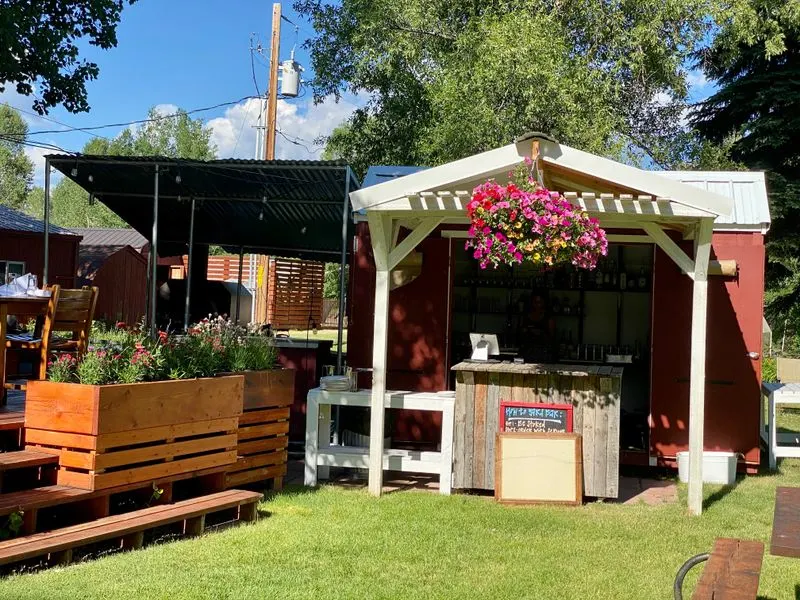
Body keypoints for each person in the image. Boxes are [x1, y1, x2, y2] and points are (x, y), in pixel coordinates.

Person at [520, 294, 556, 362]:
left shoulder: (548, 318)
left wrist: (540, 333)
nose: (537, 305)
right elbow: (521, 333)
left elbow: (552, 338)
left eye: (539, 302)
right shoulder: (527, 316)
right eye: (535, 302)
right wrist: (527, 331)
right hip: (528, 352)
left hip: (543, 353)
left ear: (543, 303)